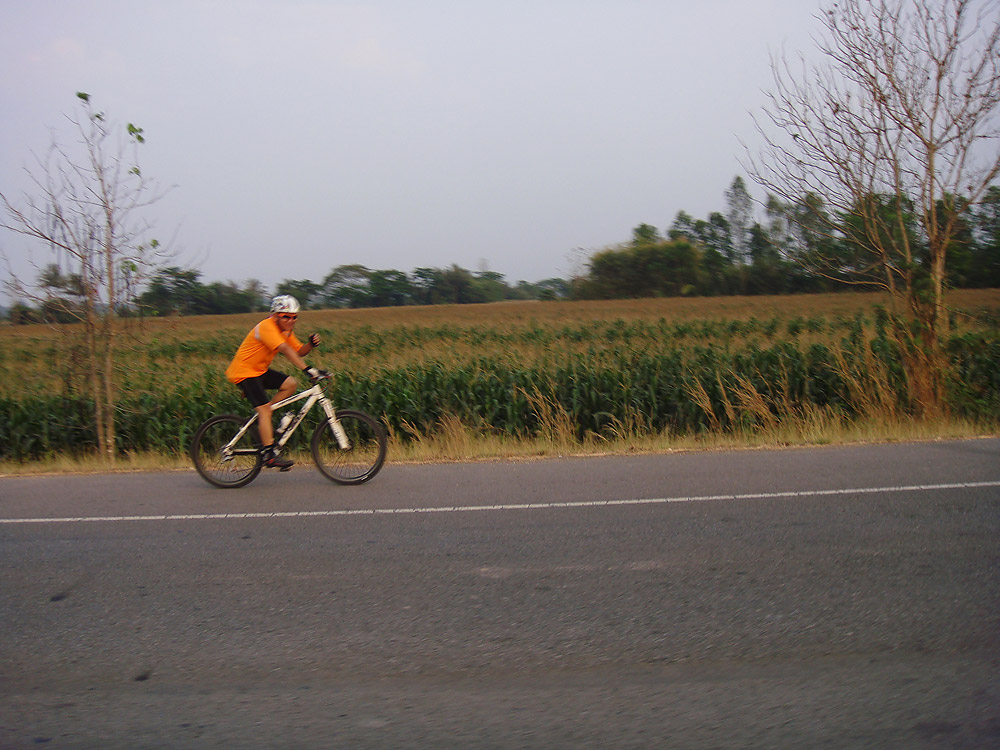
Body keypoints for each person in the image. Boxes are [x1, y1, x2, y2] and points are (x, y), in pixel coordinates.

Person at [225, 295, 325, 470]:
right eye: (286, 317)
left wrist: (310, 344)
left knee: (290, 384)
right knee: (264, 410)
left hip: (259, 371)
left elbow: (298, 351)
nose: (291, 321)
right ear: (276, 315)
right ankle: (269, 456)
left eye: (294, 317)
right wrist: (307, 369)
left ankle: (262, 422)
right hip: (244, 373)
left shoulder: (285, 331)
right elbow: (284, 348)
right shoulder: (266, 326)